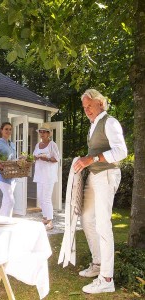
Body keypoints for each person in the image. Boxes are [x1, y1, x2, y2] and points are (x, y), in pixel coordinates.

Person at [74, 89, 127, 294]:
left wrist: (92, 159)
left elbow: (121, 151)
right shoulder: (93, 124)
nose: (86, 110)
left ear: (100, 104)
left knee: (103, 224)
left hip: (107, 175)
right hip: (94, 176)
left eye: (89, 105)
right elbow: (94, 152)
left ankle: (107, 279)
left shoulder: (110, 122)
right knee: (87, 218)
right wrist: (83, 161)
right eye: (84, 107)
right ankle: (97, 265)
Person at [33, 124, 60, 230]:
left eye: (44, 131)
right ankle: (45, 218)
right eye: (41, 131)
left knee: (46, 198)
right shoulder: (37, 145)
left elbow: (56, 159)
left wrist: (47, 159)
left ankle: (50, 222)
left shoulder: (53, 145)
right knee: (40, 197)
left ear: (49, 133)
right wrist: (33, 158)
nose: (42, 133)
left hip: (49, 176)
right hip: (39, 175)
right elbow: (35, 157)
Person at [0, 122, 16, 217]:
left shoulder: (12, 144)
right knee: (11, 201)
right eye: (6, 129)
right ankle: (6, 222)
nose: (8, 131)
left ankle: (3, 221)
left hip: (12, 177)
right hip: (2, 176)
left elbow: (12, 160)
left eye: (10, 129)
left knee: (6, 202)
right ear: (1, 130)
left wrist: (20, 159)